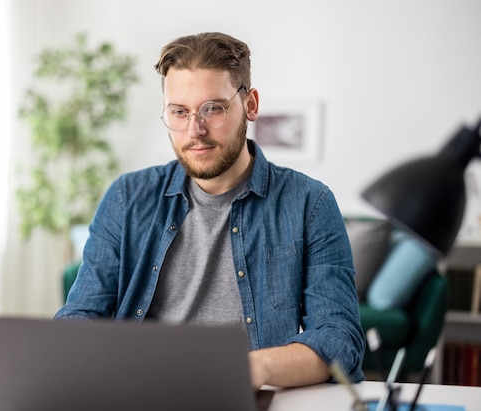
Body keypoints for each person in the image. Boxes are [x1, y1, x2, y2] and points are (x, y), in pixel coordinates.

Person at [55, 32, 365, 389]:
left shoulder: (310, 204)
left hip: (246, 394)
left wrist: (255, 367)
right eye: (179, 112)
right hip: (140, 389)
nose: (195, 130)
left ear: (250, 105)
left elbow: (339, 338)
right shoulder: (127, 197)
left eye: (213, 108)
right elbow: (80, 314)